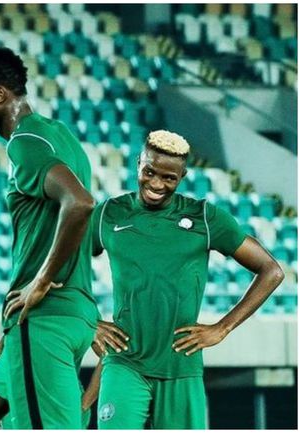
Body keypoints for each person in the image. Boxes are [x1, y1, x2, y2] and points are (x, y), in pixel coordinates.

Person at [81, 130, 285, 429]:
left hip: (181, 365)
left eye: (168, 178)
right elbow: (62, 265)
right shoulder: (109, 214)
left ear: (182, 176)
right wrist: (89, 320)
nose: (155, 184)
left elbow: (272, 271)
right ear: (139, 163)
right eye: (149, 172)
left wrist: (222, 328)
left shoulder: (204, 217)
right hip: (124, 363)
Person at [0, 47, 99, 429]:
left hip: (46, 315)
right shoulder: (58, 134)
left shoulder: (24, 143)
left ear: (0, 95)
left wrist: (39, 283)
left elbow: (81, 204)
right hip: (65, 311)